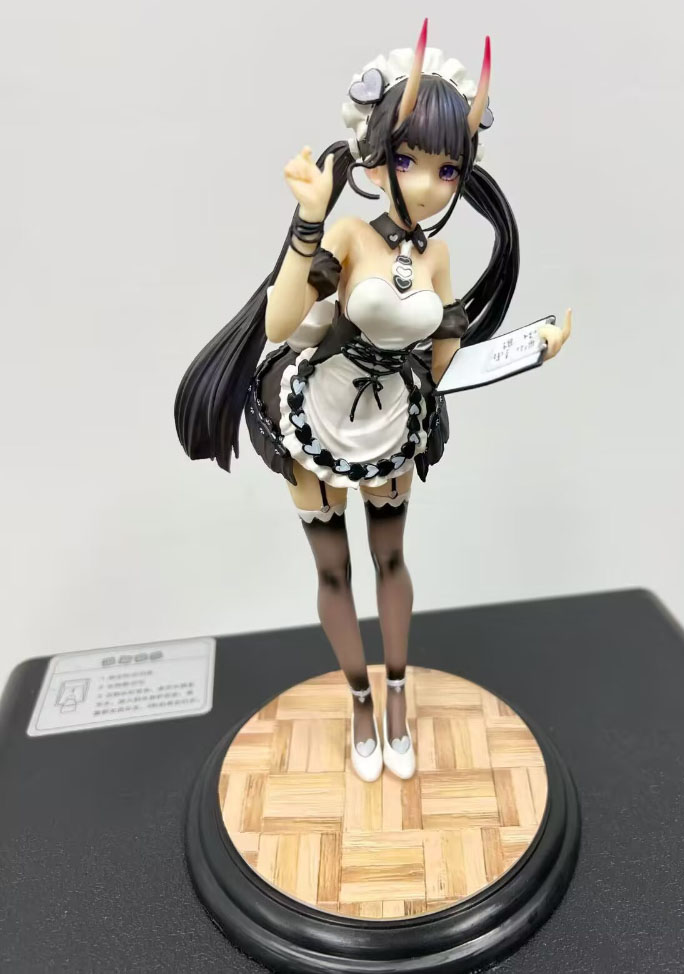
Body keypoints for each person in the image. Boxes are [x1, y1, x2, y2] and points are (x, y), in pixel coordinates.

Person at [174, 21, 572, 782]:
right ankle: (358, 698)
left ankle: (395, 695)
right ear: (376, 154)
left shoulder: (440, 255)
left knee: (391, 558)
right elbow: (281, 322)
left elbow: (443, 365)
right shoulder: (351, 235)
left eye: (448, 170)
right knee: (334, 572)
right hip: (317, 416)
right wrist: (308, 222)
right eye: (408, 159)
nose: (426, 184)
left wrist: (527, 350)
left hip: (391, 422)